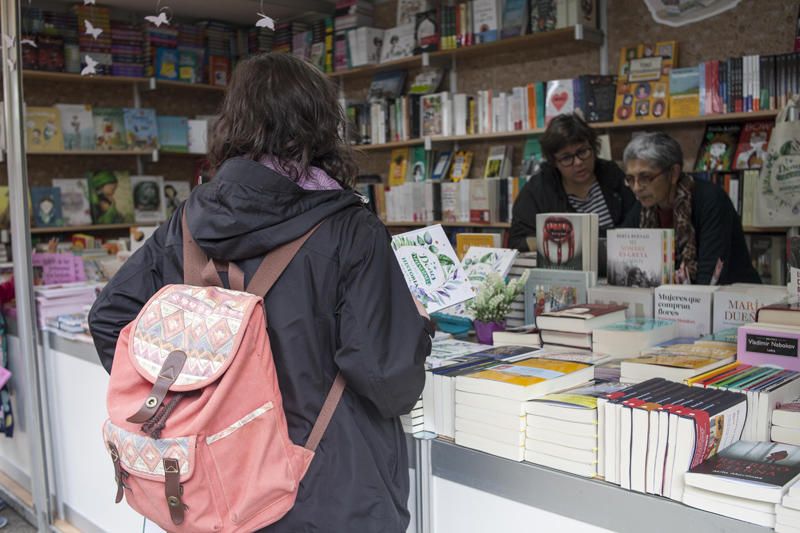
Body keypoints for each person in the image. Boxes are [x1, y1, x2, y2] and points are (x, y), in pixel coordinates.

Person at [88, 53, 431, 532]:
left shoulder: (187, 221)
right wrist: (413, 327)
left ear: (235, 122)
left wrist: (193, 402)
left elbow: (109, 318)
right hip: (331, 487)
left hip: (216, 484)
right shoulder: (352, 230)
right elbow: (386, 377)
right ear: (323, 125)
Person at [621, 132, 760, 285]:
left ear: (673, 173)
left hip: (732, 300)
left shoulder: (710, 200)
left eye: (645, 177)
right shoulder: (641, 210)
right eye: (630, 179)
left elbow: (711, 275)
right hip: (672, 301)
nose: (636, 187)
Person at [509, 113, 636, 251]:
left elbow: (636, 224)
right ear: (554, 162)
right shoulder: (538, 189)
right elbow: (517, 242)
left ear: (593, 147)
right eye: (566, 158)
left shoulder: (611, 173)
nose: (578, 162)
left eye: (583, 152)